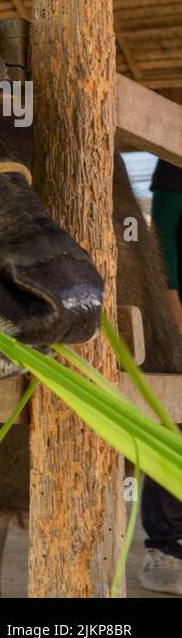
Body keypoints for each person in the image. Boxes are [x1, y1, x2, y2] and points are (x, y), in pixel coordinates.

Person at [143, 159, 182, 595]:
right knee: (172, 418)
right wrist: (172, 308)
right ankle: (164, 547)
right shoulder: (176, 156)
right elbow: (164, 233)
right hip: (178, 309)